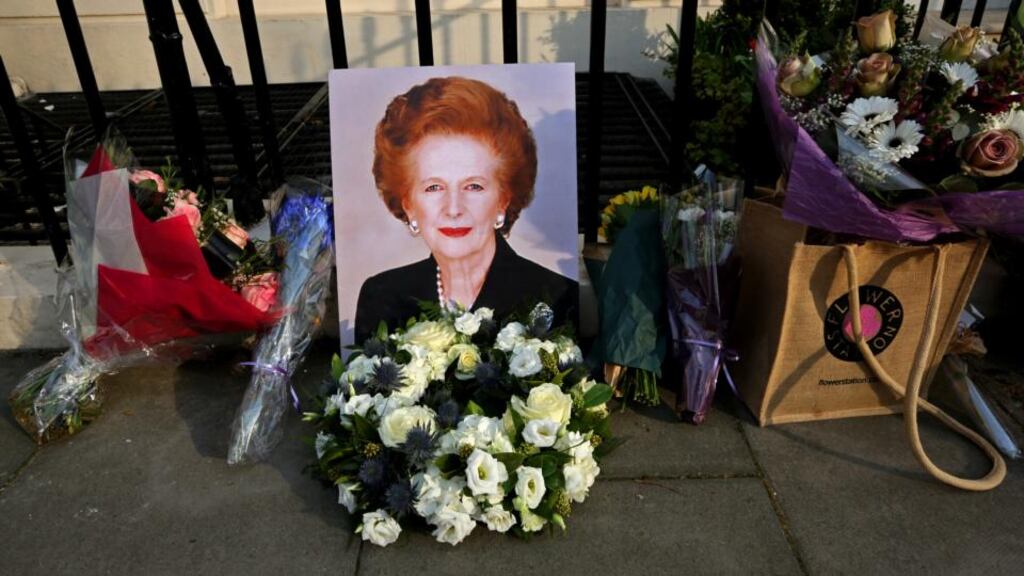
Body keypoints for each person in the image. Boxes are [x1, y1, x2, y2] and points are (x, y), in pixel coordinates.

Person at [354, 76, 578, 343]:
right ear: (409, 205)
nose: (453, 209)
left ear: (503, 200)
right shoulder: (382, 295)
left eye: (473, 186)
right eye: (434, 187)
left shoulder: (555, 296)